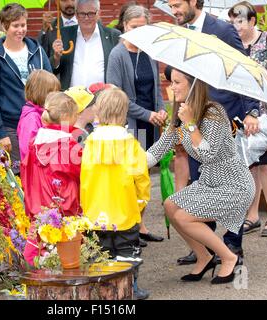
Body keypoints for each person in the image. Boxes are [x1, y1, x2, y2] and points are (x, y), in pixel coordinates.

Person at [166, 0, 260, 265]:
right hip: (193, 118)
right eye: (171, 6)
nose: (174, 12)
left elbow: (243, 70)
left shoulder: (223, 30)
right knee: (201, 185)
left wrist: (251, 110)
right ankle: (206, 247)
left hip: (222, 119)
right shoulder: (179, 33)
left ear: (194, 1)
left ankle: (233, 245)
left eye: (177, 5)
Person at [147, 68, 255, 284]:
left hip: (234, 184)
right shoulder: (180, 114)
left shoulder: (214, 113)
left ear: (193, 85)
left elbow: (208, 153)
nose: (172, 87)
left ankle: (228, 257)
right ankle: (205, 257)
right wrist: (129, 164)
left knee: (184, 217)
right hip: (209, 182)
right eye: (171, 82)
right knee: (170, 206)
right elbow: (159, 149)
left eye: (177, 82)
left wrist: (190, 124)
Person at [228, 1, 267, 237]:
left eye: (240, 22)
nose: (235, 27)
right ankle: (252, 215)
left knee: (266, 165)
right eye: (232, 22)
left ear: (252, 20)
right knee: (247, 165)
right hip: (238, 116)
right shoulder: (232, 45)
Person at [81, 87, 151, 299]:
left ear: (98, 112)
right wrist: (140, 203)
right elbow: (141, 178)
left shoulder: (88, 143)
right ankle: (131, 286)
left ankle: (104, 288)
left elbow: (84, 178)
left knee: (101, 253)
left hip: (95, 212)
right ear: (124, 113)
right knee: (128, 252)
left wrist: (86, 206)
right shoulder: (131, 144)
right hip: (125, 210)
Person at [106, 5, 166, 244]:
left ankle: (140, 225)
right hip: (131, 125)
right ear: (124, 26)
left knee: (145, 176)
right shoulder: (117, 55)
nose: (138, 32)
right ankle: (130, 227)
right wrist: (148, 114)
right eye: (134, 27)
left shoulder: (149, 53)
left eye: (143, 28)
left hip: (151, 123)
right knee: (131, 178)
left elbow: (156, 89)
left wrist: (160, 109)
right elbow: (117, 96)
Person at [0, 3, 52, 174]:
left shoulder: (37, 51)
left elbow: (52, 87)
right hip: (11, 126)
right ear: (6, 27)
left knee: (41, 173)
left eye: (23, 25)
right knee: (19, 174)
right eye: (16, 25)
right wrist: (0, 132)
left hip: (39, 123)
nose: (20, 30)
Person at [21, 92, 82, 265]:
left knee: (36, 248)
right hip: (63, 206)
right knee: (68, 253)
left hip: (38, 205)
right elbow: (83, 172)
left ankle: (31, 278)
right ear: (66, 118)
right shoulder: (68, 145)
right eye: (75, 116)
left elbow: (27, 174)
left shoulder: (35, 142)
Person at [51, 0, 121, 90]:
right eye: (82, 14)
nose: (86, 18)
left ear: (99, 13)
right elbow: (52, 69)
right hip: (70, 99)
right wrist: (56, 58)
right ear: (76, 14)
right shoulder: (64, 34)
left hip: (103, 99)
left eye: (91, 13)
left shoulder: (113, 36)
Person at [16, 70, 61, 162]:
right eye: (54, 93)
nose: (57, 96)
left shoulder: (41, 113)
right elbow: (28, 150)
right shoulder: (32, 118)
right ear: (41, 93)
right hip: (35, 171)